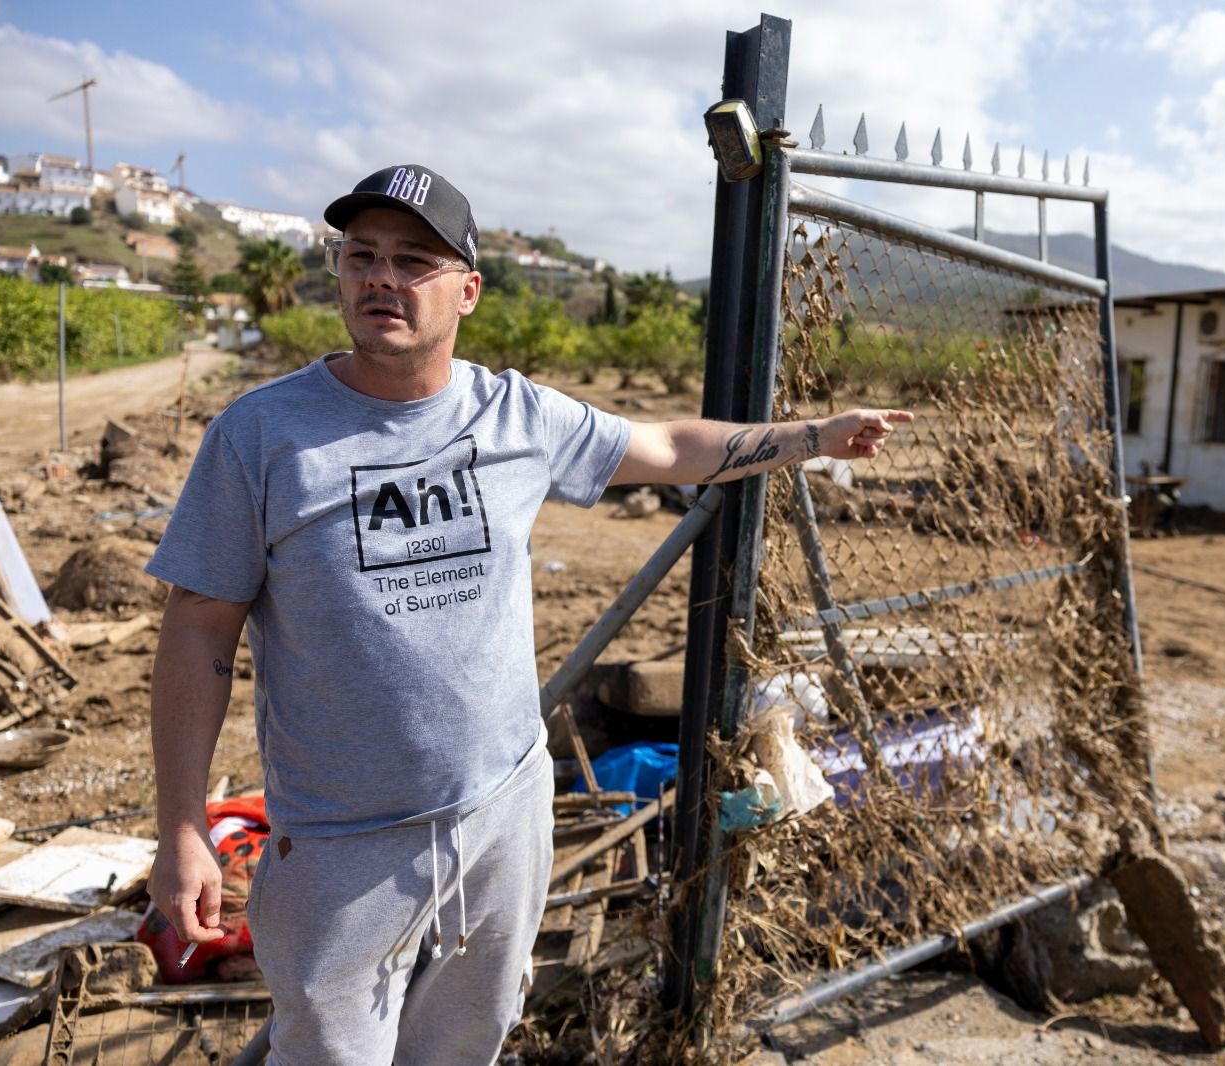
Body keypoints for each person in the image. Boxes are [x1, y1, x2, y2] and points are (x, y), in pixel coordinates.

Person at [144, 163, 910, 1065]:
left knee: (468, 1040)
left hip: (503, 813)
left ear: (467, 290)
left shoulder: (515, 414)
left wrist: (814, 438)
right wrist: (184, 831)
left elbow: (665, 445)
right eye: (363, 256)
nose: (382, 278)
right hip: (340, 845)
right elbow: (197, 633)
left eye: (414, 261)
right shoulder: (259, 436)